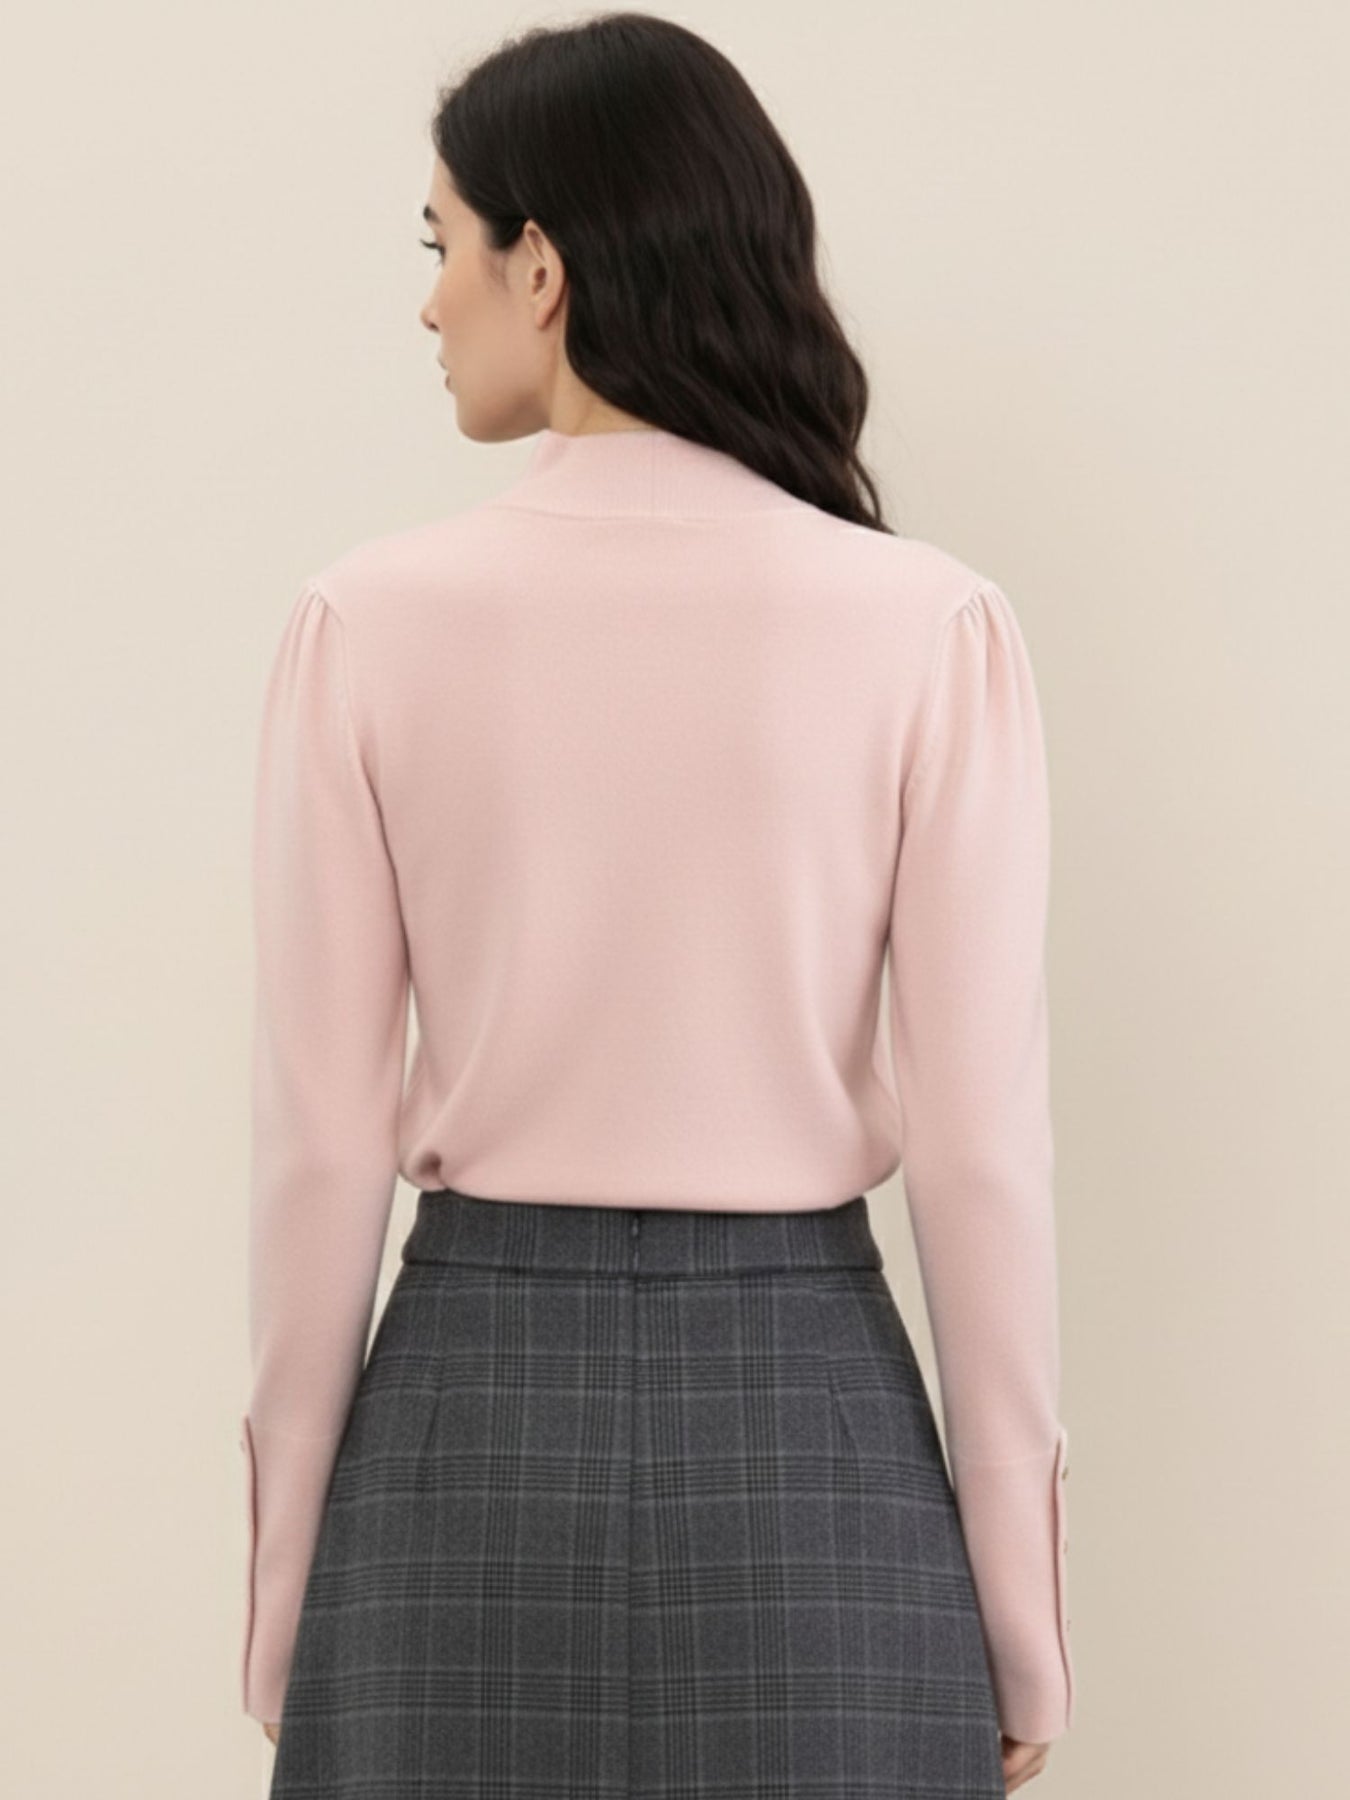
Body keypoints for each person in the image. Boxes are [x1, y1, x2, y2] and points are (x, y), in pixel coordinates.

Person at [238, 12, 1074, 1797]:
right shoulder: (927, 626)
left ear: (539, 268)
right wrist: (1019, 1608)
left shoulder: (365, 624)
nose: (428, 302)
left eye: (443, 244)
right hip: (817, 1453)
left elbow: (318, 1146)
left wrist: (288, 1589)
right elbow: (982, 1150)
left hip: (458, 1452)